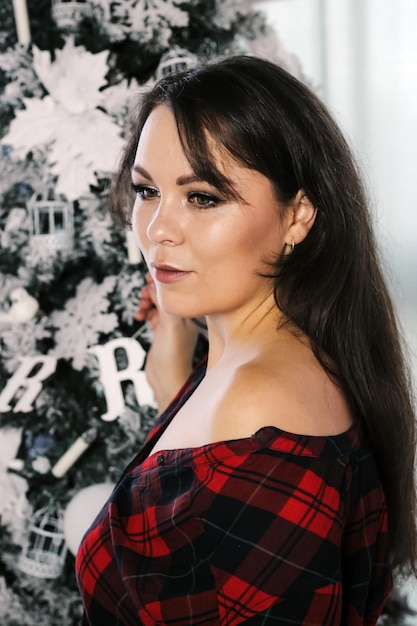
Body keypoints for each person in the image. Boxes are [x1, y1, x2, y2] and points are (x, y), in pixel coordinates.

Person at [76, 55, 417, 625]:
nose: (158, 228)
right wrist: (175, 374)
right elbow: (205, 540)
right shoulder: (274, 363)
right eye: (146, 190)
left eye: (203, 197)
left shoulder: (261, 413)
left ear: (298, 217)